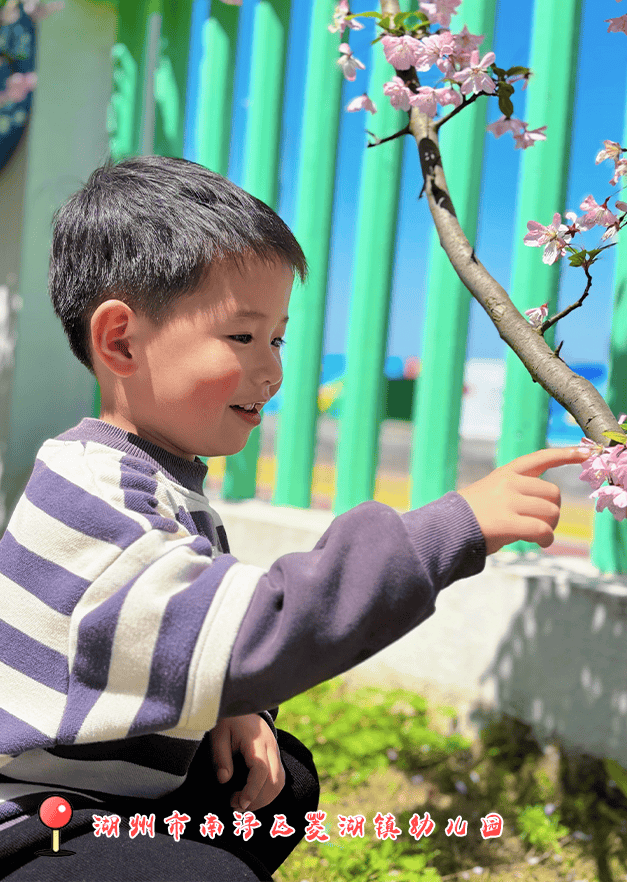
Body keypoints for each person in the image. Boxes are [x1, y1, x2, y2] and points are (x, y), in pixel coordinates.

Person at [0, 155, 588, 880]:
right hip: (40, 810)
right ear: (121, 340)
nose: (272, 369)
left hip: (123, 787)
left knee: (281, 779)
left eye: (276, 339)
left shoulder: (156, 477)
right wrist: (450, 527)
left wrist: (232, 703)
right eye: (243, 338)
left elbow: (175, 643)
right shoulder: (90, 488)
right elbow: (256, 626)